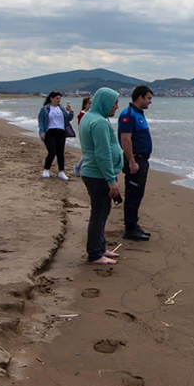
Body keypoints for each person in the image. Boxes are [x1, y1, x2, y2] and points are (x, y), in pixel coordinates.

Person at [79, 87, 125, 264]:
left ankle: (100, 247)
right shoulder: (98, 122)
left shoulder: (90, 117)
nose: (116, 107)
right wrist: (111, 180)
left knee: (103, 212)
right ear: (105, 102)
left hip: (95, 173)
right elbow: (102, 154)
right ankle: (95, 254)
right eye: (114, 103)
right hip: (97, 175)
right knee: (99, 214)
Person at [118, 85, 154, 241]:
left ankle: (134, 224)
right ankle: (130, 229)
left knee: (138, 194)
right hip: (135, 159)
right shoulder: (128, 114)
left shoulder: (138, 113)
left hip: (142, 159)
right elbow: (125, 139)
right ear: (140, 97)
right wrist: (132, 161)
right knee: (132, 195)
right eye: (148, 98)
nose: (150, 101)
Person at [37, 91, 75, 181]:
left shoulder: (61, 108)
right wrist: (42, 132)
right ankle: (46, 169)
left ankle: (61, 172)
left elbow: (68, 119)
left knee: (60, 153)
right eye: (57, 98)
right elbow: (41, 121)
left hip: (61, 132)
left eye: (60, 98)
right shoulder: (45, 109)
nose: (59, 100)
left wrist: (71, 112)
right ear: (51, 98)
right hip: (50, 132)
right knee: (52, 152)